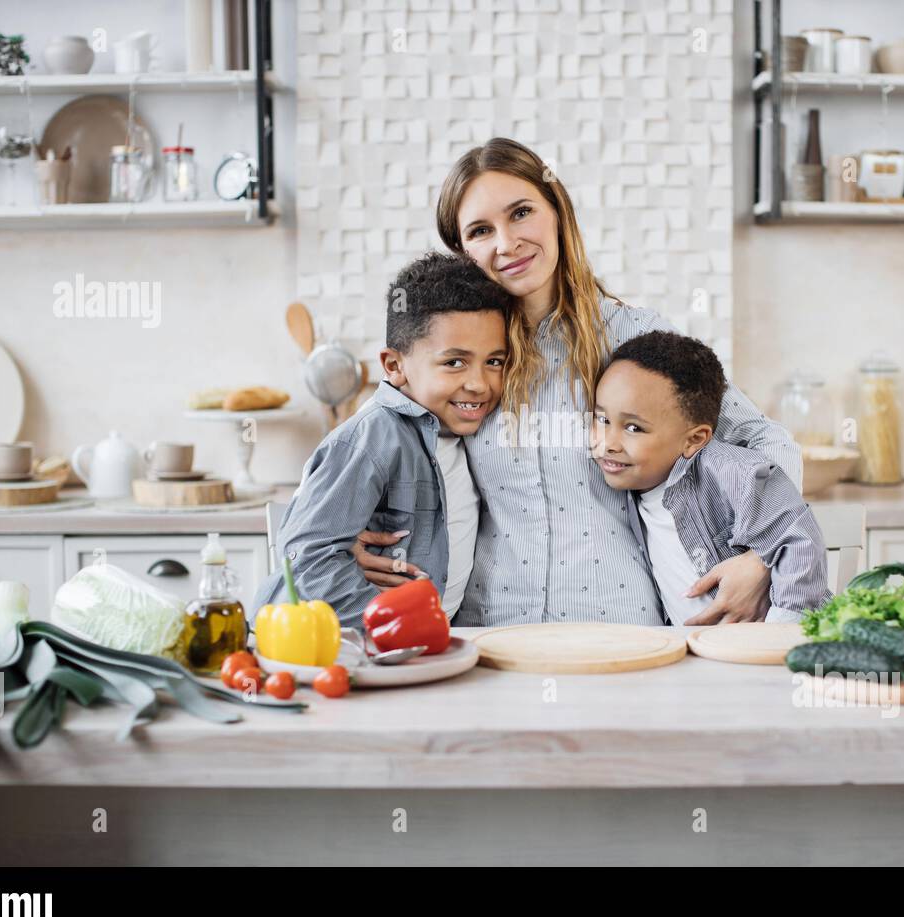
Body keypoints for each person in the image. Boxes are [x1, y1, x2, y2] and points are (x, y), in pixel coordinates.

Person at [352, 137, 802, 626]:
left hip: (623, 631)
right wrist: (356, 523)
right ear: (463, 251)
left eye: (521, 213)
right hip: (490, 635)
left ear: (557, 212)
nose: (506, 243)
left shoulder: (634, 336)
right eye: (481, 230)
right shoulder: (462, 363)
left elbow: (765, 440)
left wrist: (762, 555)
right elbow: (373, 443)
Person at [253, 252, 511, 622]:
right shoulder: (372, 438)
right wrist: (395, 622)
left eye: (494, 362)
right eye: (454, 362)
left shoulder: (468, 430)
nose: (479, 384)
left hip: (421, 649)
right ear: (394, 366)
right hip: (340, 648)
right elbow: (307, 560)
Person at [592, 331, 831, 625]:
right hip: (701, 656)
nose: (608, 442)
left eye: (633, 428)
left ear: (694, 439)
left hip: (774, 651)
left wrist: (779, 637)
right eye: (602, 420)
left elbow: (801, 540)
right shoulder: (630, 488)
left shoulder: (734, 472)